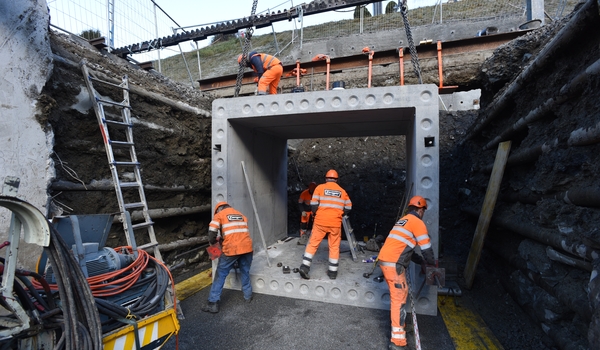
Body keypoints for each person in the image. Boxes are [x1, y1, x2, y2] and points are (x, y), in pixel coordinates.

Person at [377, 195, 436, 350]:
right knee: (399, 299)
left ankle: (400, 327)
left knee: (401, 294)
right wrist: (431, 264)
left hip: (386, 260)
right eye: (423, 210)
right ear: (420, 209)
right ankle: (397, 341)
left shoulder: (403, 221)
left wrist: (422, 263)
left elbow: (408, 250)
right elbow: (427, 250)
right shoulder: (418, 223)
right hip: (393, 263)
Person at [298, 169, 351, 280]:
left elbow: (313, 204)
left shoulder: (320, 188)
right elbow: (348, 207)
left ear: (326, 178)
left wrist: (316, 213)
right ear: (336, 179)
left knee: (313, 243)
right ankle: (332, 272)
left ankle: (305, 267)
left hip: (320, 222)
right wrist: (339, 214)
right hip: (335, 223)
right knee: (334, 246)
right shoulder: (342, 191)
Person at [202, 201, 254, 313]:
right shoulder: (240, 215)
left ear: (218, 209)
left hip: (231, 249)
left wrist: (213, 243)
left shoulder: (219, 215)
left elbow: (211, 234)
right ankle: (248, 296)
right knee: (245, 271)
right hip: (247, 248)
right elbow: (237, 233)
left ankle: (213, 303)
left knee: (220, 274)